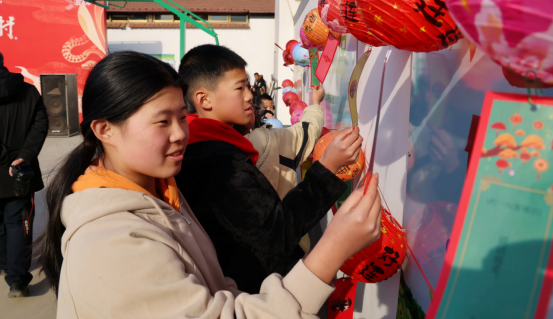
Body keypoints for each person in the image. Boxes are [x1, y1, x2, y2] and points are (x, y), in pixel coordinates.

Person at [37, 50, 383, 318]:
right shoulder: (111, 243)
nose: (179, 134)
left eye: (179, 117)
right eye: (162, 122)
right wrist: (331, 250)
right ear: (104, 130)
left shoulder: (163, 191)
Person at [176, 44, 364, 293]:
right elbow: (277, 233)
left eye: (248, 86)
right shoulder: (218, 162)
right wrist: (327, 168)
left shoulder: (197, 147)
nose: (248, 96)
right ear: (203, 99)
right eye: (240, 87)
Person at [244, 86, 326, 255]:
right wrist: (316, 102)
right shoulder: (267, 139)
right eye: (240, 87)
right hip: (288, 247)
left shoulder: (201, 149)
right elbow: (306, 131)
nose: (249, 95)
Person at [0, 52, 48, 297]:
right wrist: (24, 155)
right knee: (19, 223)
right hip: (20, 173)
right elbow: (41, 124)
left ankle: (4, 263)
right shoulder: (29, 91)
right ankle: (17, 280)